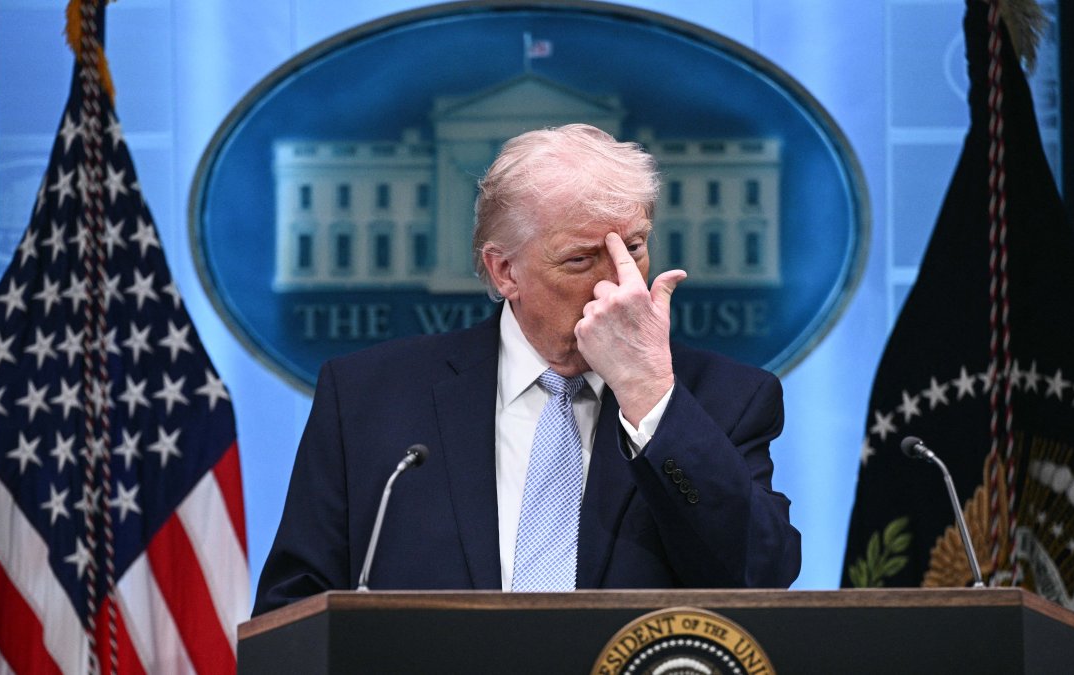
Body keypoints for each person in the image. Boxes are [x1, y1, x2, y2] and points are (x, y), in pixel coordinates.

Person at [253, 123, 801, 615]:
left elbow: (760, 579)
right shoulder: (368, 399)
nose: (620, 283)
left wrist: (648, 393)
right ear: (505, 272)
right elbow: (294, 610)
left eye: (633, 248)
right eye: (580, 259)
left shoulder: (726, 400)